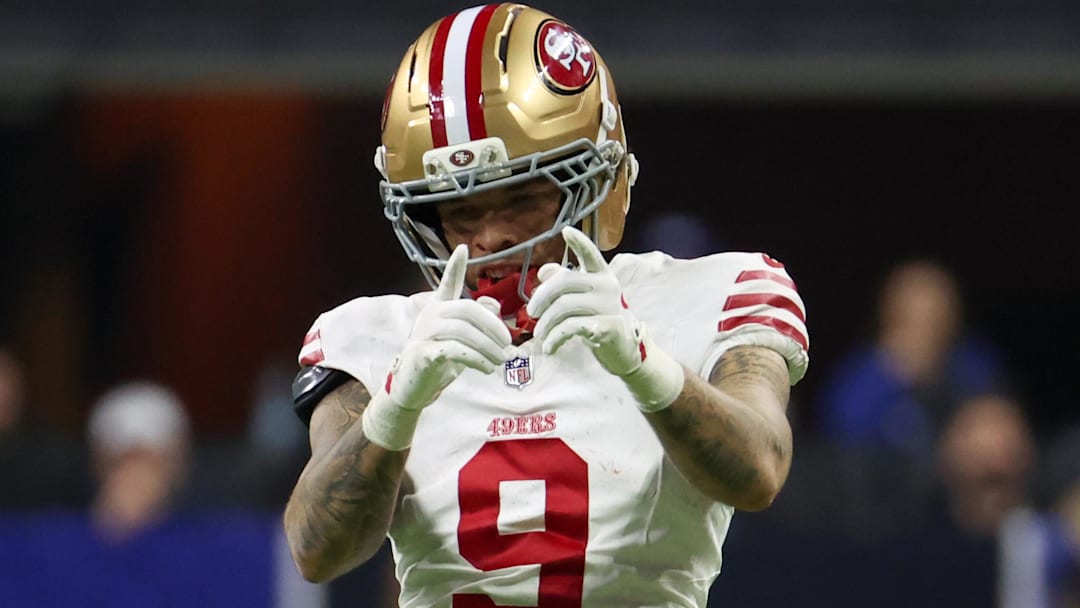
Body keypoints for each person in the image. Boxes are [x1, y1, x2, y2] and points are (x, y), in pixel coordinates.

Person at [283, 4, 810, 606]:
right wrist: (396, 406)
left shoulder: (712, 292)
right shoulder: (375, 337)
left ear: (601, 182)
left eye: (521, 198)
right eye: (460, 210)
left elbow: (760, 469)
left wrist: (647, 367)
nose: (492, 236)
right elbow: (316, 550)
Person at [819, 258, 1007, 455]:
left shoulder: (972, 364)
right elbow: (840, 430)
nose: (925, 332)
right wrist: (893, 370)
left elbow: (1000, 421)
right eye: (912, 317)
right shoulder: (863, 376)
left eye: (935, 319)